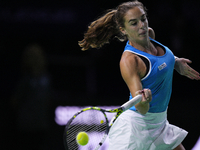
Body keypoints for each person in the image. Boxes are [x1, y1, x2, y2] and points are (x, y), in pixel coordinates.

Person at [78, 1, 200, 150]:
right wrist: (144, 100)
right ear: (123, 29)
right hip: (137, 129)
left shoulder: (149, 34)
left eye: (143, 19)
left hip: (159, 123)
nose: (141, 25)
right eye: (133, 23)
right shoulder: (130, 61)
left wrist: (175, 62)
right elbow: (140, 107)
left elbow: (159, 62)